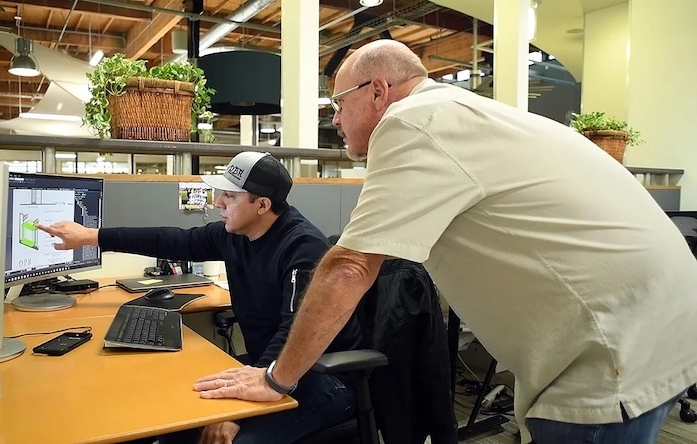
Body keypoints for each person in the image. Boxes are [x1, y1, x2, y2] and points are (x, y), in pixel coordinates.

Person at [192, 40, 697, 444]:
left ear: (379, 90)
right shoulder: (464, 114)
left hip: (608, 349)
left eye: (338, 104)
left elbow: (349, 268)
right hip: (655, 320)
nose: (335, 120)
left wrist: (276, 380)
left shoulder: (411, 123)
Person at [37, 151, 361, 444]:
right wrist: (91, 236)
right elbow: (173, 240)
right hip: (265, 368)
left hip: (320, 377)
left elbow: (294, 332)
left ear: (262, 205)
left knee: (229, 440)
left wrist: (239, 411)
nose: (218, 202)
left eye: (230, 197)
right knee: (170, 416)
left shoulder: (303, 249)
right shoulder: (233, 234)